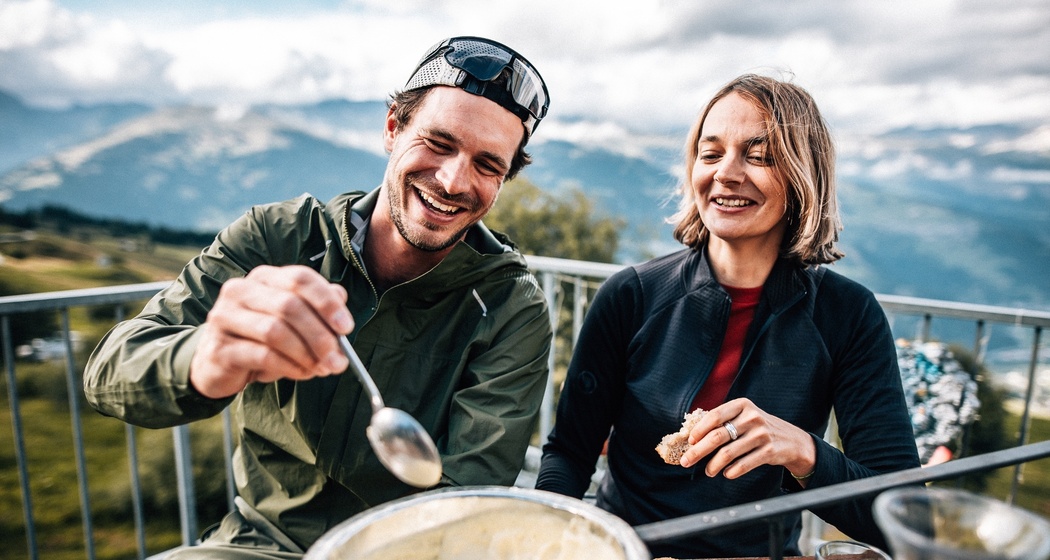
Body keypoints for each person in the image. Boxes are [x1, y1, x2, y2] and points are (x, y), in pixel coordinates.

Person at [84, 36, 553, 558]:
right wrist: (206, 357)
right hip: (258, 544)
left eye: (487, 165)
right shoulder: (278, 239)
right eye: (438, 143)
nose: (452, 181)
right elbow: (110, 372)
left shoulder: (512, 309)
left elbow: (468, 503)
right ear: (393, 127)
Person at [535, 74, 920, 558]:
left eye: (758, 157)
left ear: (804, 176)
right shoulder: (629, 296)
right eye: (711, 153)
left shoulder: (850, 315)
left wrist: (803, 451)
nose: (726, 173)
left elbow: (901, 513)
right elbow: (569, 454)